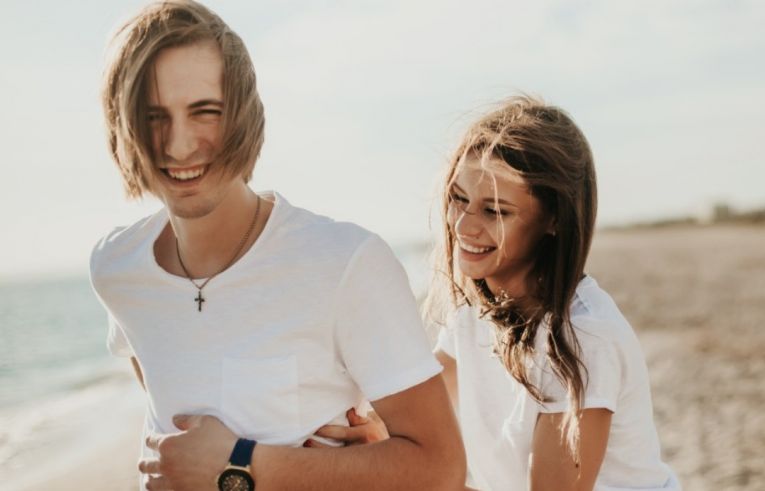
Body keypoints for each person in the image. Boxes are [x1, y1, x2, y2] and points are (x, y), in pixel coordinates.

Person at [89, 1, 465, 490]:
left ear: (242, 115)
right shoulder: (115, 267)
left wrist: (240, 466)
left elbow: (441, 469)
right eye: (153, 116)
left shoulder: (345, 263)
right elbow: (166, 391)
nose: (177, 145)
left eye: (205, 112)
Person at [313, 96, 681, 490]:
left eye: (495, 211)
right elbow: (412, 416)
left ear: (554, 218)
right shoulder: (474, 314)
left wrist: (407, 472)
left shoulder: (584, 338)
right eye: (459, 199)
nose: (464, 227)